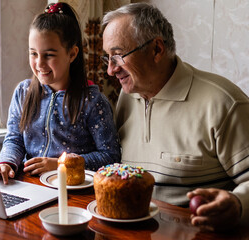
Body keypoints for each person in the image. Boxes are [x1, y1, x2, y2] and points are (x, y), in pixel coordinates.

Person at [102, 2, 249, 231]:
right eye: (107, 58)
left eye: (118, 56)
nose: (111, 70)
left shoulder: (224, 103)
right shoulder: (128, 96)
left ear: (157, 50)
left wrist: (238, 204)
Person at [0, 2, 120, 183]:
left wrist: (61, 164)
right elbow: (14, 139)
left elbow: (110, 157)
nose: (39, 63)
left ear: (72, 54)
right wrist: (6, 162)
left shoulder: (93, 101)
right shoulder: (23, 92)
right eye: (33, 53)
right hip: (30, 186)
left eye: (49, 55)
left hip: (73, 192)